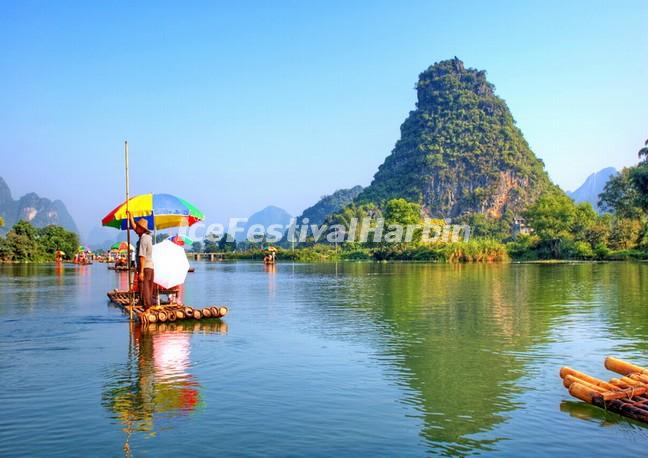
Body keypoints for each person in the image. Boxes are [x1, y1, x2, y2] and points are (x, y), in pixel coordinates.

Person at [129, 214, 155, 309]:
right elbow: (135, 228)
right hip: (150, 267)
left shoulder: (144, 239)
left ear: (142, 229)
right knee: (148, 288)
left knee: (144, 288)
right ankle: (148, 307)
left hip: (145, 267)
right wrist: (131, 218)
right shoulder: (146, 237)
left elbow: (142, 257)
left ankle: (147, 308)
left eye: (138, 227)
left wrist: (141, 272)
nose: (136, 229)